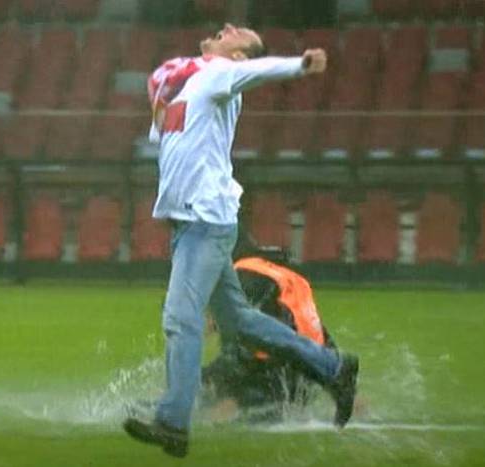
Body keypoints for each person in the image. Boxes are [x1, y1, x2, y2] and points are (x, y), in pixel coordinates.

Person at [122, 23, 359, 458]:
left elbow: (258, 70)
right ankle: (334, 367)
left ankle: (173, 422)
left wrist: (299, 65)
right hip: (190, 223)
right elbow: (166, 119)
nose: (227, 26)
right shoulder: (195, 83)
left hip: (205, 223)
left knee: (181, 319)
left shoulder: (220, 74)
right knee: (241, 323)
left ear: (237, 56)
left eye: (238, 33)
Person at [201, 247, 338, 423]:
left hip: (277, 380)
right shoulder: (274, 282)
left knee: (217, 390)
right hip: (301, 384)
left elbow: (234, 361)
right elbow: (316, 334)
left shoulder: (237, 291)